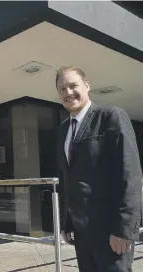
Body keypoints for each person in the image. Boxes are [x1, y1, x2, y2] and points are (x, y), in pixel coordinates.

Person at [55, 66, 142, 272]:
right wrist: (68, 222)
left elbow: (130, 174)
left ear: (87, 85)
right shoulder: (62, 131)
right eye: (62, 89)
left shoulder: (111, 117)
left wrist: (124, 228)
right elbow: (69, 177)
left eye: (73, 85)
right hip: (82, 232)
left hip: (111, 232)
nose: (68, 92)